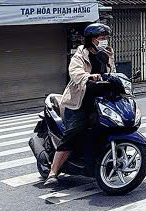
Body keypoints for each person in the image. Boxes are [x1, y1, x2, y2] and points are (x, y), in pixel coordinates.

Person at [41, 22, 117, 187]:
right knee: (74, 132)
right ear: (92, 39)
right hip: (79, 101)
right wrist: (89, 77)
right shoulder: (80, 54)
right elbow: (75, 72)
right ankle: (53, 172)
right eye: (101, 37)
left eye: (106, 37)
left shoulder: (107, 53)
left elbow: (113, 73)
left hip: (100, 100)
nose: (104, 40)